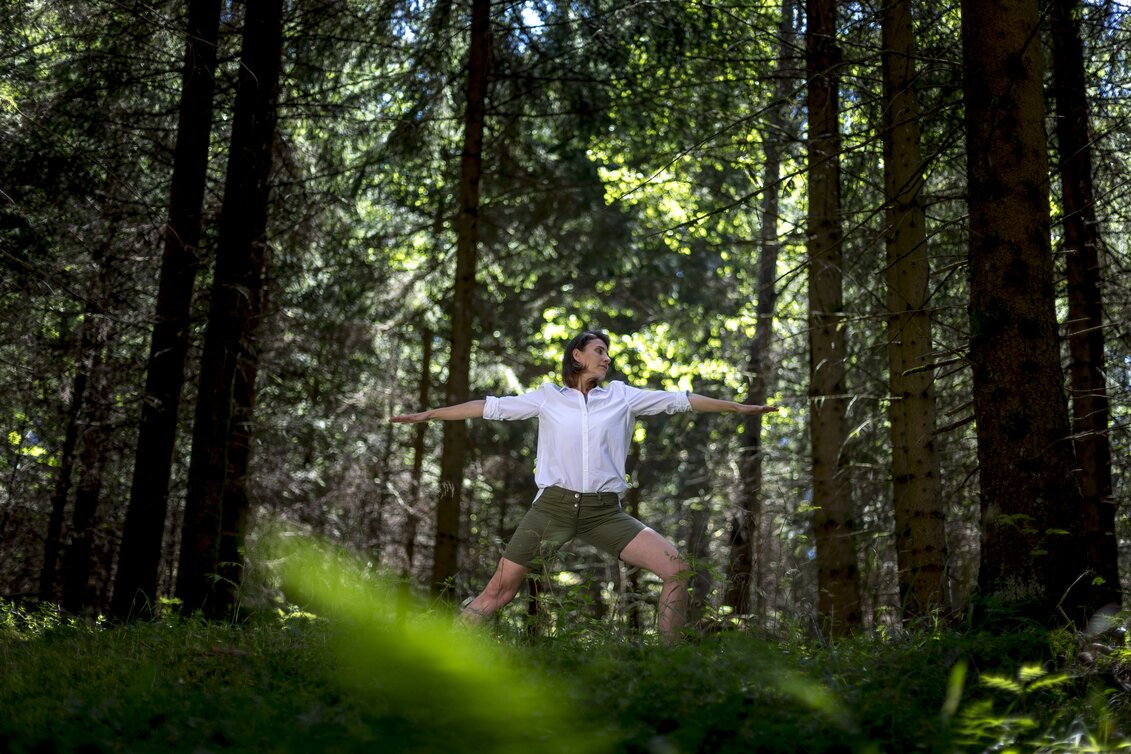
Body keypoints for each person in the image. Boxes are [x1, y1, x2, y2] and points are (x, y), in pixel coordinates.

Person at [390, 330, 778, 642]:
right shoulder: (547, 399)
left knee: (677, 570)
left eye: (607, 353)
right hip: (552, 508)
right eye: (599, 350)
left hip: (604, 513)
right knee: (499, 591)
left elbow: (682, 400)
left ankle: (669, 660)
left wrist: (737, 408)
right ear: (577, 355)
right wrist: (430, 415)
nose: (606, 358)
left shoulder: (623, 397)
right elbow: (489, 406)